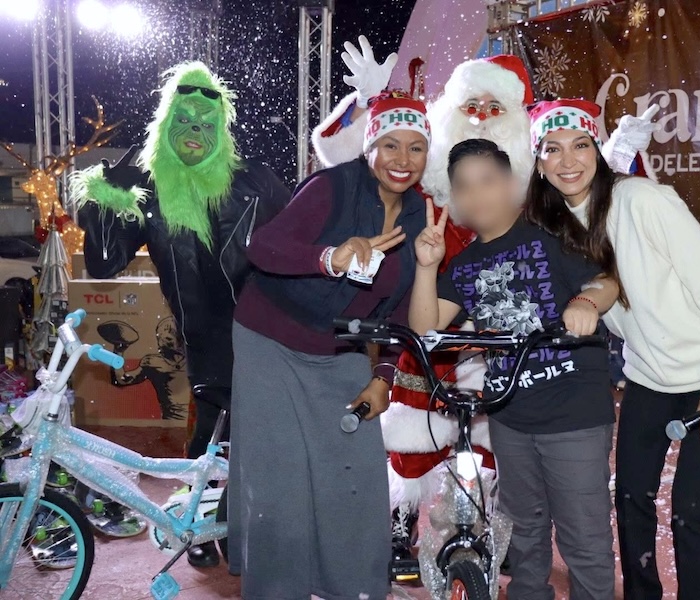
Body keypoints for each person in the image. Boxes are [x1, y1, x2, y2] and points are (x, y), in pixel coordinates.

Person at [312, 36, 658, 563]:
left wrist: (621, 156)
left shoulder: (537, 196)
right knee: (413, 429)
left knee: (499, 446)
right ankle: (403, 521)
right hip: (434, 316)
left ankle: (498, 531)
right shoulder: (428, 181)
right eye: (469, 105)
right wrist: (369, 105)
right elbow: (352, 156)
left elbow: (593, 196)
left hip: (514, 340)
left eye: (494, 108)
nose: (478, 116)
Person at [524, 98, 700, 600]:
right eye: (552, 149)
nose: (568, 161)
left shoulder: (643, 201)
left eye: (580, 145)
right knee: (631, 498)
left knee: (691, 510)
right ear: (538, 162)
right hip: (650, 377)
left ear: (597, 150)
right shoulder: (554, 225)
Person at [71, 61, 292, 567]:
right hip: (205, 340)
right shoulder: (151, 191)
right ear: (166, 125)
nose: (195, 133)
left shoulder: (254, 182)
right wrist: (110, 196)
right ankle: (204, 529)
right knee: (211, 441)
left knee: (257, 439)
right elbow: (104, 263)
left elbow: (302, 240)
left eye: (206, 124)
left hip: (267, 334)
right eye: (184, 121)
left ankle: (245, 533)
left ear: (221, 131)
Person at [229, 93, 430, 599]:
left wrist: (384, 377)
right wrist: (329, 258)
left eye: (416, 148)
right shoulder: (331, 187)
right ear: (369, 147)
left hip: (341, 349)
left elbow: (401, 309)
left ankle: (352, 588)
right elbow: (262, 247)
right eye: (390, 145)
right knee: (280, 479)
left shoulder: (420, 216)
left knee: (354, 472)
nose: (402, 159)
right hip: (270, 340)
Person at [410, 138, 620, 600]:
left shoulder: (549, 235)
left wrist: (586, 302)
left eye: (487, 180)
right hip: (509, 416)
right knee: (522, 535)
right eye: (464, 186)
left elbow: (606, 279)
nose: (477, 195)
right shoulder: (464, 264)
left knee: (583, 539)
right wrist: (427, 267)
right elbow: (426, 329)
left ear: (511, 182)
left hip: (574, 414)